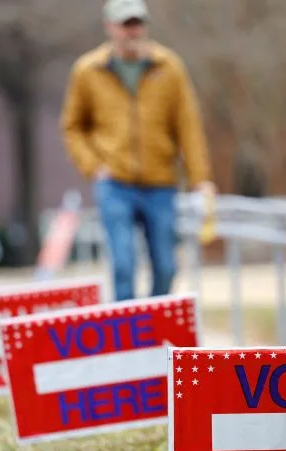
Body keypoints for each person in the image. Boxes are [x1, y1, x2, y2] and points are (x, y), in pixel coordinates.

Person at [60, 0, 215, 301]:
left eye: (137, 23)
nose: (133, 31)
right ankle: (128, 338)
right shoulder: (88, 71)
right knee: (123, 265)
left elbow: (188, 127)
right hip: (114, 183)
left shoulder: (169, 67)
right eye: (125, 24)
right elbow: (72, 127)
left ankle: (154, 325)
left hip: (161, 182)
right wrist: (94, 166)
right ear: (109, 27)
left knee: (167, 266)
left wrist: (199, 179)